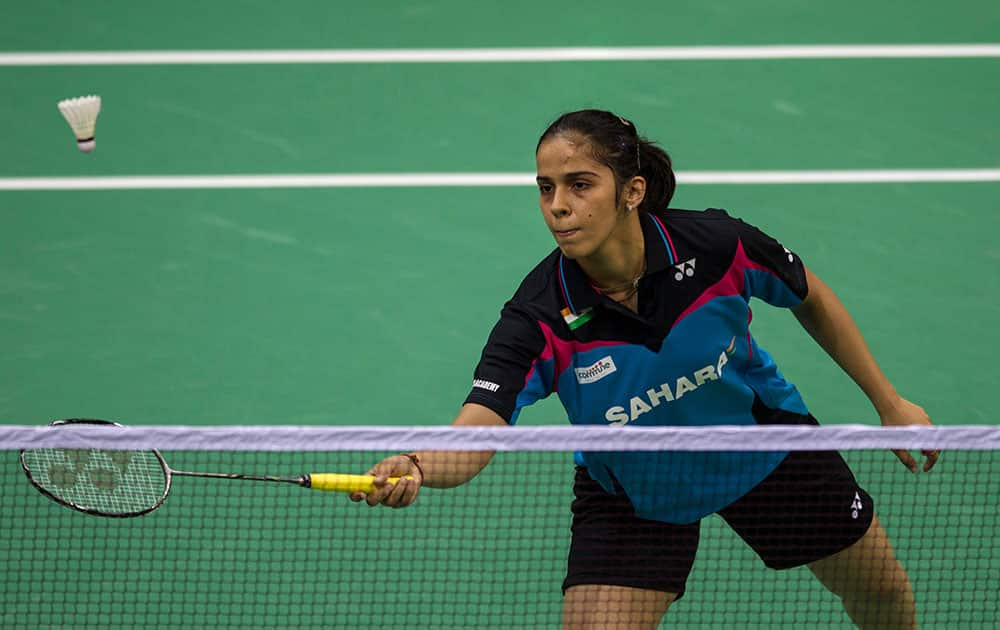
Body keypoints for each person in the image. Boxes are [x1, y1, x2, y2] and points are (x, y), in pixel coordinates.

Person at [351, 109, 939, 629]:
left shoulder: (716, 246)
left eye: (579, 185)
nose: (558, 205)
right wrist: (419, 463)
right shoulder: (537, 315)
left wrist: (888, 402)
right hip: (634, 491)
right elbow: (480, 422)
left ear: (631, 191)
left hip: (764, 451)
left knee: (881, 591)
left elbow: (809, 294)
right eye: (546, 187)